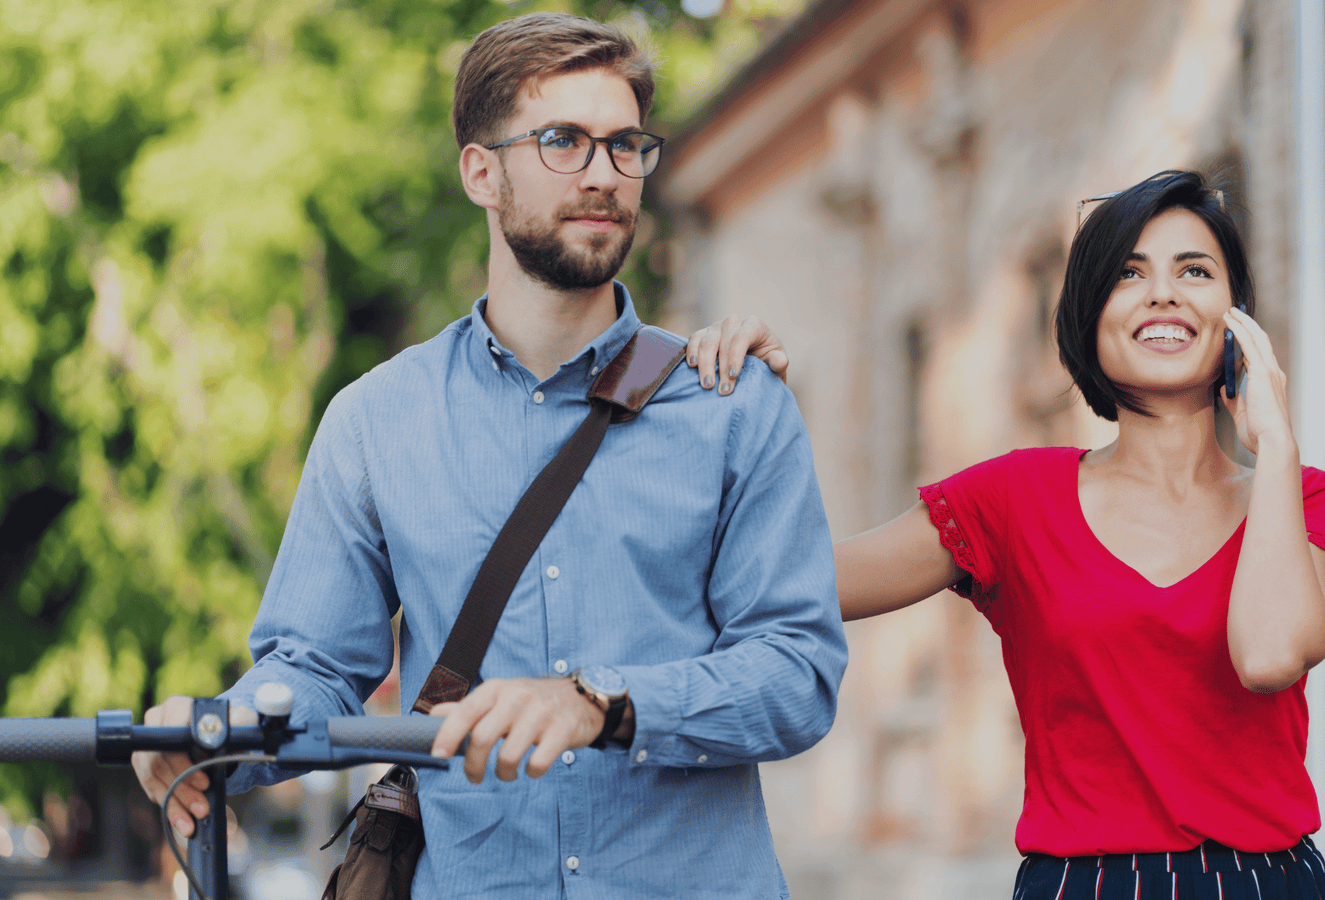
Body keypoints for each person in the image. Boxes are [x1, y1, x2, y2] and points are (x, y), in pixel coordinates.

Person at [132, 13, 846, 899]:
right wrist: (207, 734)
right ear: (481, 171)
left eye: (625, 146)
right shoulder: (375, 421)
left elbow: (797, 672)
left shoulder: (731, 407)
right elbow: (315, 670)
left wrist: (601, 703)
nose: (603, 175)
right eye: (563, 142)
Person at [688, 170, 1325, 899]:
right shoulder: (1013, 498)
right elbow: (779, 584)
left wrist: (1278, 444)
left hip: (1266, 883)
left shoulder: (1305, 499)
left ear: (1237, 318)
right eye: (1128, 274)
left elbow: (1267, 656)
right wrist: (739, 416)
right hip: (1085, 885)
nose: (1163, 293)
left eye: (1194, 271)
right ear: (1086, 314)